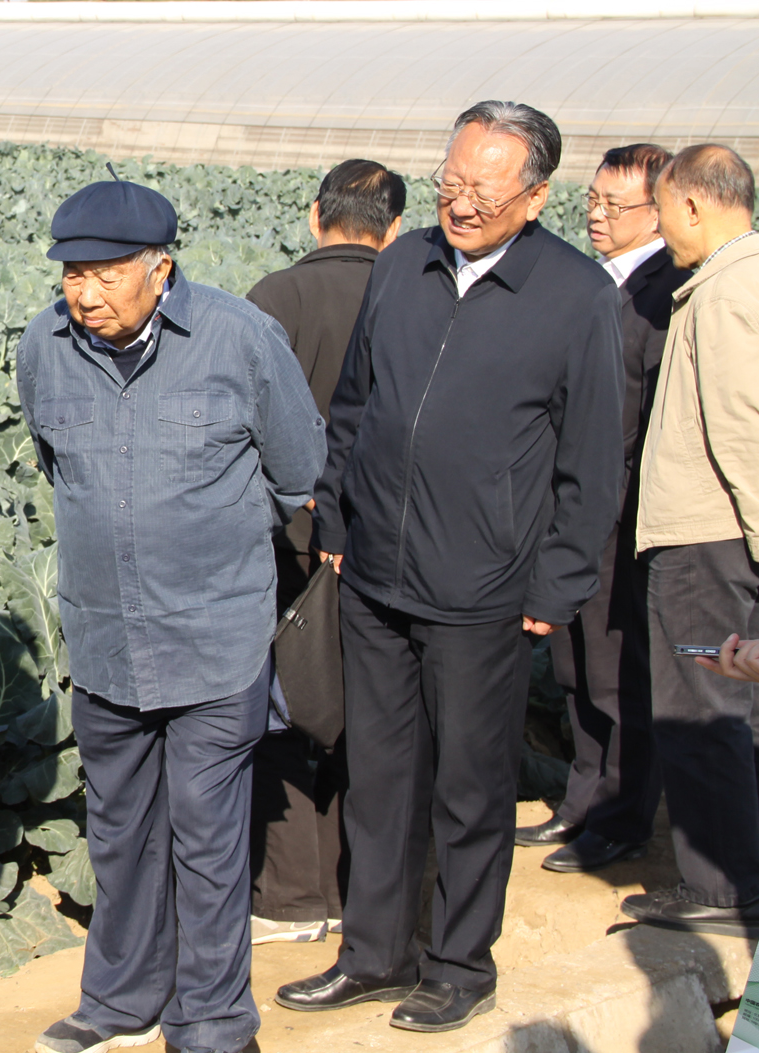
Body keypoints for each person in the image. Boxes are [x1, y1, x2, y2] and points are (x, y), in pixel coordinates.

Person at [279, 101, 623, 1034]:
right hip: (375, 575)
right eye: (450, 183)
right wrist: (336, 508)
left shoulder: (576, 296)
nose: (462, 203)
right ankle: (374, 953)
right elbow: (355, 402)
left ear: (536, 196)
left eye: (485, 189)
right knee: (379, 776)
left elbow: (592, 461)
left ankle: (460, 963)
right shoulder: (403, 265)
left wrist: (557, 581)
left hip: (483, 588)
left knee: (470, 788)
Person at [19, 178, 326, 1053]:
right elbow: (54, 465)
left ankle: (213, 1021)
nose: (85, 293)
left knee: (208, 837)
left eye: (106, 273)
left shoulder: (241, 337)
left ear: (160, 267)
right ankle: (120, 1000)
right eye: (72, 273)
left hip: (215, 643)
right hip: (105, 639)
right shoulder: (44, 345)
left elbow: (298, 469)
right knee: (118, 833)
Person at [245, 158, 405, 946]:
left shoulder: (275, 297)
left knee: (284, 707)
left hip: (290, 544)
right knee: (363, 708)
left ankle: (289, 895)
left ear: (316, 215)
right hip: (384, 548)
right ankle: (351, 885)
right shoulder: (412, 297)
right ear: (395, 228)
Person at [516, 144, 687, 874]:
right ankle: (583, 798)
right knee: (575, 663)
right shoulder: (593, 284)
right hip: (573, 508)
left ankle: (621, 816)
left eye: (617, 205)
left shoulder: (663, 294)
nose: (598, 215)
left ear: (659, 211)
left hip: (624, 512)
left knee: (619, 672)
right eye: (593, 200)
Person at [625, 143, 759, 937]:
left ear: (695, 205)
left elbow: (743, 428)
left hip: (708, 536)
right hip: (723, 533)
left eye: (663, 208)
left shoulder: (726, 292)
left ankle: (722, 888)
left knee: (701, 710)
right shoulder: (738, 280)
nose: (661, 227)